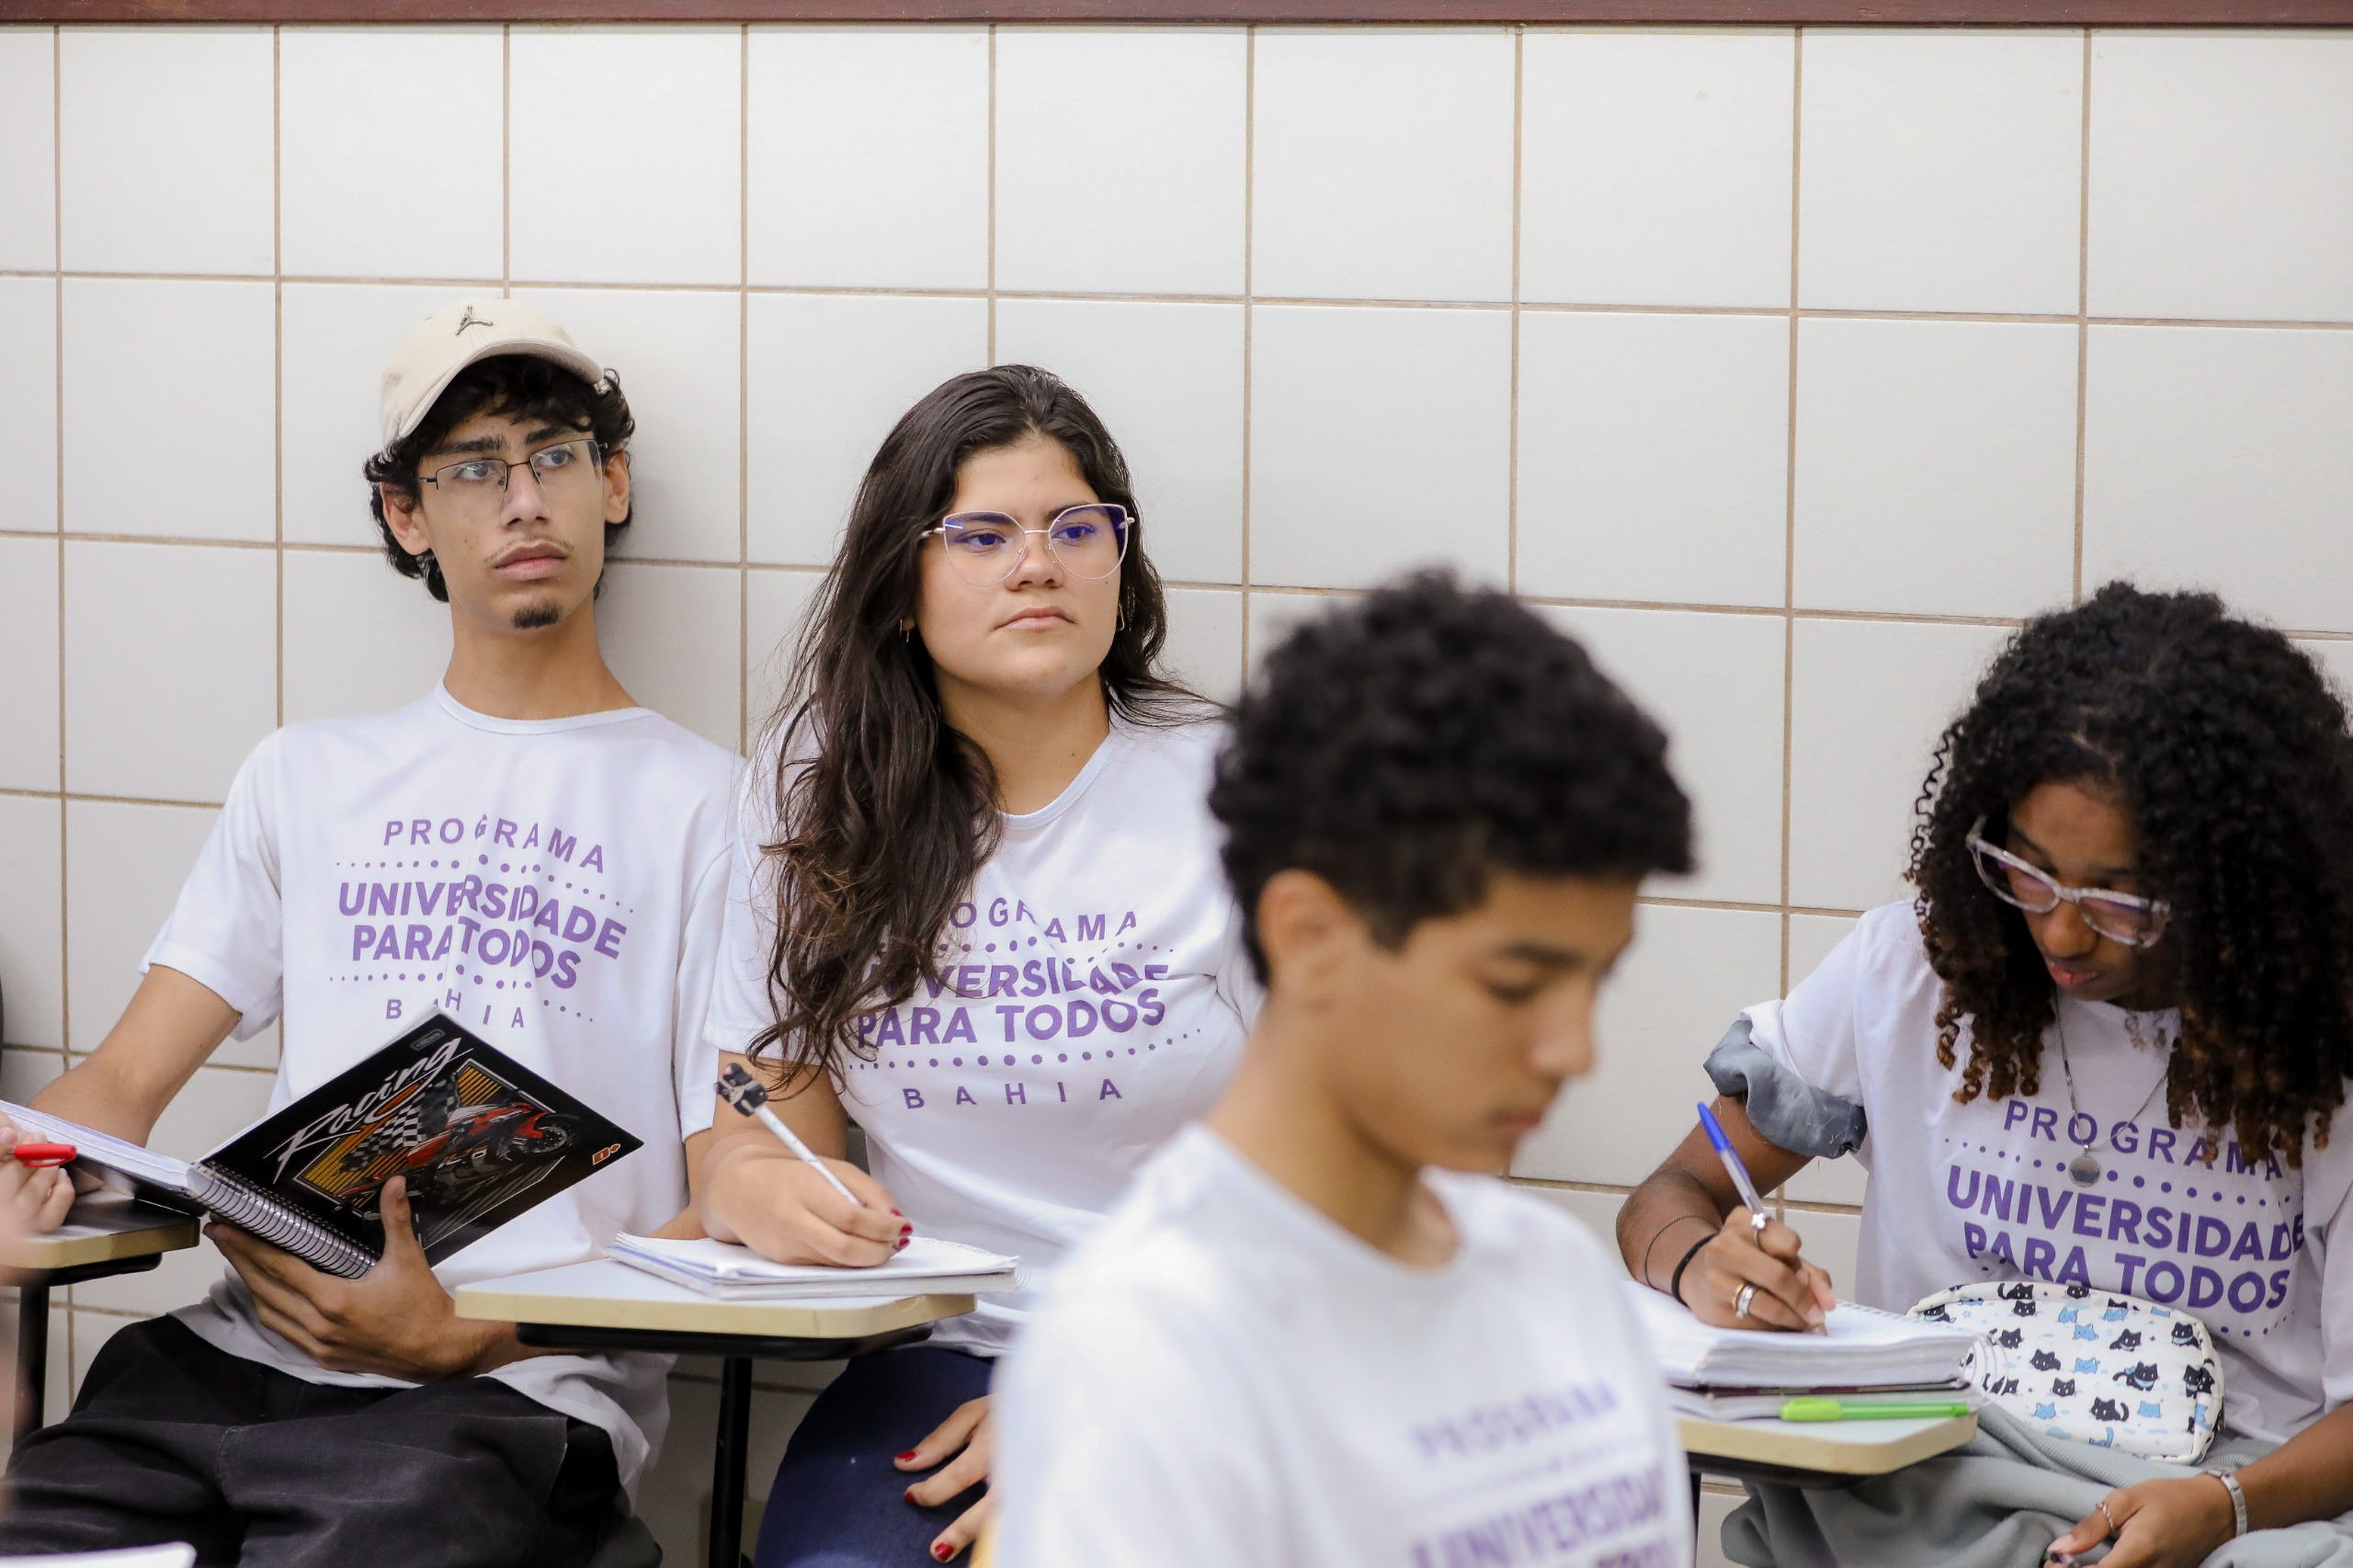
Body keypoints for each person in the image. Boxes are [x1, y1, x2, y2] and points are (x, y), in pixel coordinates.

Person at [0, 299, 737, 1567]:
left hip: (501, 1399)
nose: (522, 502)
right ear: (409, 516)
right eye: (470, 470)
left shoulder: (715, 807)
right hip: (221, 1360)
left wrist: (476, 1335)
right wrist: (25, 1175)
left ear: (610, 484)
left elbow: (730, 1195)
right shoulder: (308, 775)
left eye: (554, 455)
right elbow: (122, 1080)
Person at [1616, 584, 2353, 1568]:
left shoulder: (2318, 1045)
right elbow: (1674, 1189)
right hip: (1924, 1485)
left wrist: (2221, 1504)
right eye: (2028, 871)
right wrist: (1697, 1261)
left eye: (2120, 898)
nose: (2056, 928)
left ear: (2236, 886)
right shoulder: (1915, 971)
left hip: (2226, 1509)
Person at [989, 571, 1698, 1567]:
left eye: (1595, 978)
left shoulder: (1558, 1280)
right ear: (1310, 934)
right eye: (1512, 983)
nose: (1571, 1050)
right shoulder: (1151, 1346)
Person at [692, 366, 1256, 1566]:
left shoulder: (1243, 793)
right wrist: (754, 1185)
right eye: (983, 533)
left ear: (1122, 561)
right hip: (935, 1352)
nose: (1037, 564)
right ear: (902, 582)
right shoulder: (812, 789)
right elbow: (756, 1112)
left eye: (1075, 527)